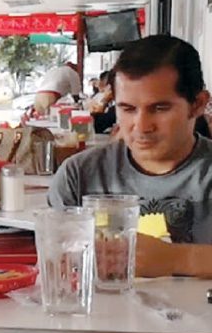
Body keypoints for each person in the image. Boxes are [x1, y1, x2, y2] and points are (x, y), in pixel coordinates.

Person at [48, 35, 212, 278]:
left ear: (198, 105)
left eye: (160, 108)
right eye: (127, 109)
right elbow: (57, 269)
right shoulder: (79, 175)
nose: (141, 126)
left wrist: (176, 259)